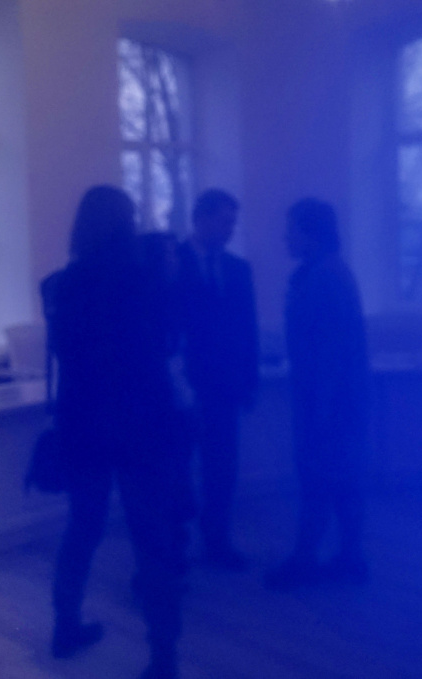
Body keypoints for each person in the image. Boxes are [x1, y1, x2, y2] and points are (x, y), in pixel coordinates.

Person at [44, 186, 187, 679]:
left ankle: (65, 625)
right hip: (142, 425)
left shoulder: (62, 286)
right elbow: (167, 344)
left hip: (83, 425)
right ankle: (163, 655)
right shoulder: (145, 280)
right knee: (153, 540)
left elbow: (69, 357)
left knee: (82, 527)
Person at [265, 198, 370, 591]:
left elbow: (329, 350)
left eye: (291, 228)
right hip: (338, 399)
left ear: (311, 234)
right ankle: (350, 557)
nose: (285, 236)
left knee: (317, 477)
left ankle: (305, 559)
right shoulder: (327, 271)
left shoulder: (323, 277)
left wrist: (321, 411)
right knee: (342, 478)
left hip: (326, 401)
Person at [176, 189, 258, 570]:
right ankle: (174, 547)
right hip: (182, 388)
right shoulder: (171, 263)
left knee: (223, 469)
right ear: (202, 219)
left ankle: (217, 542)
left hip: (225, 388)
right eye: (225, 221)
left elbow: (248, 331)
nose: (230, 230)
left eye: (232, 223)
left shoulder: (238, 269)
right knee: (177, 469)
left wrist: (249, 381)